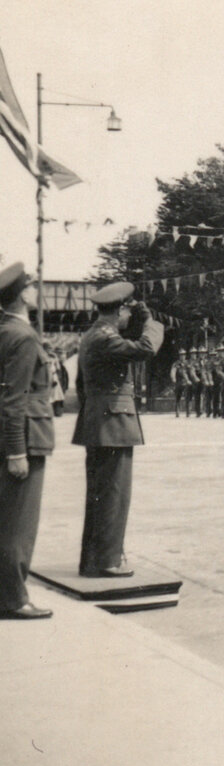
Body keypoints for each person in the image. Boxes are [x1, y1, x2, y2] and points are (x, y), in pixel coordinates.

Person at [72, 282, 164, 578]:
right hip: (112, 423)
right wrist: (151, 323)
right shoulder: (105, 337)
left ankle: (94, 559)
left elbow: (79, 385)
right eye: (129, 309)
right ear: (121, 309)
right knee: (114, 493)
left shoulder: (92, 336)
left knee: (101, 494)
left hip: (100, 422)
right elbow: (146, 348)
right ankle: (108, 560)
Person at [0, 263, 54, 618]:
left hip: (15, 435)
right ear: (22, 293)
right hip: (24, 439)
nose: (36, 290)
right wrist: (16, 450)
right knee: (18, 524)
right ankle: (15, 599)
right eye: (32, 286)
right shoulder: (22, 336)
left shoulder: (5, 330)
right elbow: (14, 399)